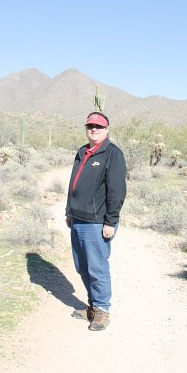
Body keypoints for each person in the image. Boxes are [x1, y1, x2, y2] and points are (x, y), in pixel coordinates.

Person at [65, 111, 127, 331]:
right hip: (78, 219)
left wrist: (111, 221)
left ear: (106, 129)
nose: (93, 129)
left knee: (97, 266)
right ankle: (92, 306)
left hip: (97, 222)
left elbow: (117, 191)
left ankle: (102, 310)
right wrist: (68, 211)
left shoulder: (113, 154)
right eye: (90, 126)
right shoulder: (82, 152)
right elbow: (74, 183)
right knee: (82, 266)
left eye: (98, 127)